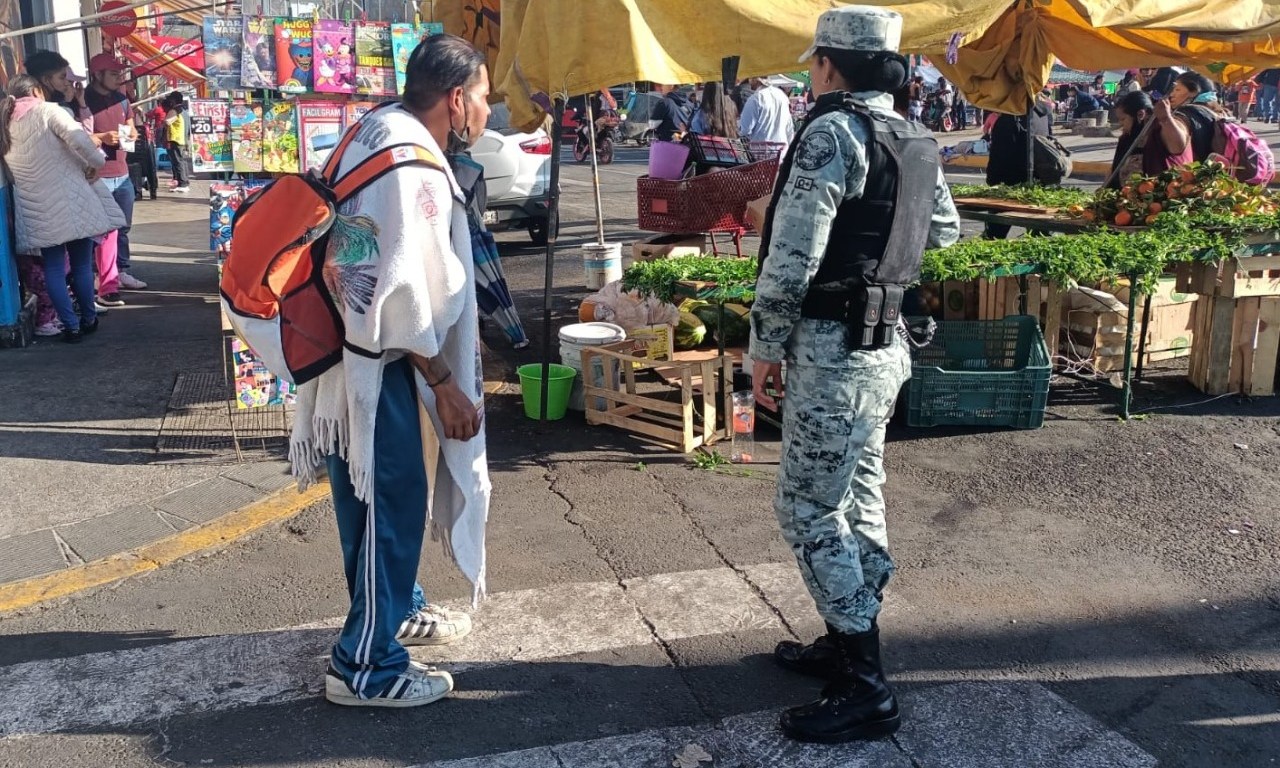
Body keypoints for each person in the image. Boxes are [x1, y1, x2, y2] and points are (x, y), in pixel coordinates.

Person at [750, 5, 959, 744]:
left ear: (830, 64)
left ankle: (865, 682)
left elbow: (793, 255)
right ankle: (848, 640)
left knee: (807, 509)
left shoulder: (833, 133)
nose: (811, 73)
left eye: (814, 62)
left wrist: (764, 343)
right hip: (884, 345)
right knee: (860, 493)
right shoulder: (914, 136)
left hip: (831, 350)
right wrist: (884, 271)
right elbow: (944, 232)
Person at [288, 33, 490, 709]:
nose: (486, 111)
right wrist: (443, 382)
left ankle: (394, 609)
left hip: (350, 354)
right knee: (392, 504)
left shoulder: (376, 126)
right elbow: (401, 295)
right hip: (378, 359)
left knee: (372, 500)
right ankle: (365, 666)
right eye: (483, 97)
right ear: (456, 99)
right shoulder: (413, 168)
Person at [1, 75, 125, 343]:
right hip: (72, 200)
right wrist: (95, 163)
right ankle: (88, 319)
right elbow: (79, 138)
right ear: (37, 91)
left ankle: (70, 326)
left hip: (36, 207)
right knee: (81, 265)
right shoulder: (49, 111)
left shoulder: (5, 120)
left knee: (54, 268)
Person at [86, 53, 148, 304]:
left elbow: (131, 124)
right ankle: (96, 275)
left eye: (119, 73)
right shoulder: (84, 100)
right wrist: (101, 137)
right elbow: (76, 135)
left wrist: (132, 132)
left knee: (122, 227)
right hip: (96, 175)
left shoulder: (122, 99)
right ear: (97, 74)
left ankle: (120, 270)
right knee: (98, 230)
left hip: (122, 172)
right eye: (113, 74)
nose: (118, 78)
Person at [983, 97, 1053, 239]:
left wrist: (992, 183)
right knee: (1039, 235)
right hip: (1040, 181)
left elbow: (998, 156)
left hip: (1011, 186)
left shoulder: (1009, 118)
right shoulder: (1044, 113)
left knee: (995, 234)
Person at [1108, 90, 1192, 187]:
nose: (1120, 124)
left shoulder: (1161, 129)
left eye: (1123, 119)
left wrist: (1166, 118)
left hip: (1161, 191)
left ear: (1140, 114)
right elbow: (1114, 168)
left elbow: (1177, 147)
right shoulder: (1126, 137)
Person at [1163, 71, 1227, 162]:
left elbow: (1176, 148)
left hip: (1194, 168)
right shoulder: (1221, 112)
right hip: (1220, 167)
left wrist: (1165, 118)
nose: (1171, 95)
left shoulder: (1185, 114)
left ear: (1193, 92)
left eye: (1177, 90)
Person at [739, 76, 796, 145]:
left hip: (760, 148)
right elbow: (789, 127)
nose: (749, 81)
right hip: (782, 147)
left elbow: (745, 129)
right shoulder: (782, 95)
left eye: (750, 78)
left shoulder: (756, 98)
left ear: (756, 80)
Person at [162, 92, 190, 192]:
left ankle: (183, 184)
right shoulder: (184, 110)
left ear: (173, 100)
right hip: (182, 139)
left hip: (175, 139)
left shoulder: (175, 110)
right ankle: (183, 182)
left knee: (178, 162)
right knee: (182, 161)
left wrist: (165, 123)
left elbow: (167, 121)